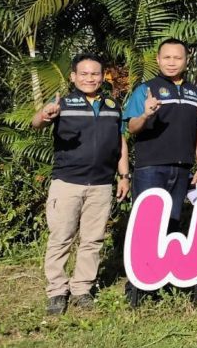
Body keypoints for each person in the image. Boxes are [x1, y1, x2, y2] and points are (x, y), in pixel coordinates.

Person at [32, 53, 130, 315]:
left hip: (101, 184)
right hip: (67, 183)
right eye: (84, 74)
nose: (90, 78)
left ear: (102, 76)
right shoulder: (62, 104)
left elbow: (120, 142)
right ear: (73, 76)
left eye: (95, 73)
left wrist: (124, 176)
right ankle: (57, 291)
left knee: (92, 239)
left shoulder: (112, 105)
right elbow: (36, 123)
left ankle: (82, 289)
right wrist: (44, 115)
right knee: (61, 238)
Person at [123, 38, 197, 223]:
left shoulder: (195, 92)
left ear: (186, 60)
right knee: (146, 225)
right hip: (150, 169)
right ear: (158, 59)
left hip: (182, 169)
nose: (171, 62)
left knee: (171, 224)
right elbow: (132, 127)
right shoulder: (146, 89)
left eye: (177, 58)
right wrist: (145, 115)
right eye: (167, 57)